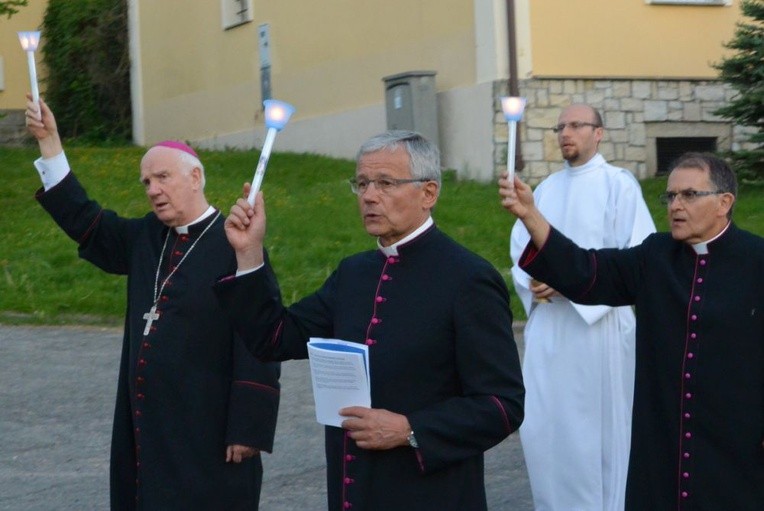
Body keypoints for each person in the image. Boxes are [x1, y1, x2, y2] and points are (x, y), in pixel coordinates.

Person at [214, 130, 525, 511]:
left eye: (385, 183)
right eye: (362, 183)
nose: (369, 196)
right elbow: (275, 337)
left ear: (428, 194)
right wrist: (249, 254)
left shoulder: (468, 278)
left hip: (431, 494)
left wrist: (409, 429)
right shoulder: (353, 273)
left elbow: (502, 404)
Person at [25, 96, 281, 510]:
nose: (153, 190)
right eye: (146, 182)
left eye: (162, 177)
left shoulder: (236, 242)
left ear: (195, 176)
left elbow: (260, 336)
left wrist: (249, 426)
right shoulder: (146, 237)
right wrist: (51, 143)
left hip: (208, 423)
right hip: (146, 421)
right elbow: (87, 223)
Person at [499, 152, 764, 510]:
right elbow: (586, 271)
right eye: (670, 196)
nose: (675, 206)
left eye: (688, 195)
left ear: (724, 202)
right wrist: (530, 214)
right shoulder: (656, 255)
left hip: (733, 445)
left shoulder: (756, 261)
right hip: (662, 444)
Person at [509, 104, 655, 510]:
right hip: (552, 331)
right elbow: (521, 246)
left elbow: (638, 255)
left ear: (599, 133)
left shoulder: (619, 186)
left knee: (598, 435)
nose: (565, 133)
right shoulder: (545, 190)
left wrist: (571, 286)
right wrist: (532, 281)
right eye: (560, 127)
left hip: (600, 331)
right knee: (546, 428)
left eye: (576, 125)